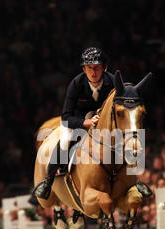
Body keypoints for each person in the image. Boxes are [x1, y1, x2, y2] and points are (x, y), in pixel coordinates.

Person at [34, 47, 115, 199]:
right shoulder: (76, 84)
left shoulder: (113, 82)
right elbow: (65, 117)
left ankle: (134, 181)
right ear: (84, 69)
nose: (93, 72)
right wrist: (87, 122)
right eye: (89, 68)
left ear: (105, 67)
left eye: (97, 68)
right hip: (79, 123)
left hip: (105, 124)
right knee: (64, 140)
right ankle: (48, 181)